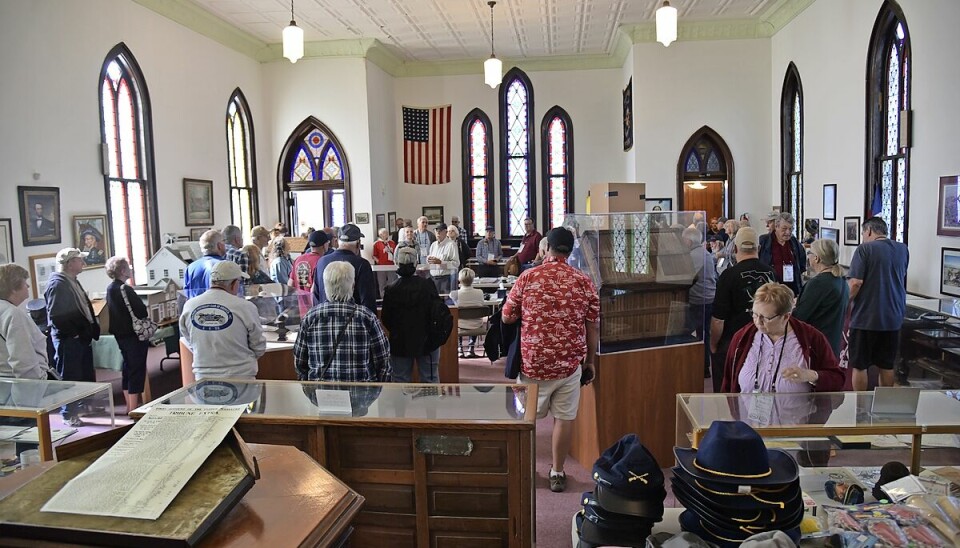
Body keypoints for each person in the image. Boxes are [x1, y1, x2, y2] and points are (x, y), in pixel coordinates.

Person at [502, 228, 599, 493]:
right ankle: (557, 472)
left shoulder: (528, 277)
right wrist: (589, 361)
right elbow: (592, 326)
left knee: (528, 421)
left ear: (547, 249)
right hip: (569, 364)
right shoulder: (584, 281)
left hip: (533, 363)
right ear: (570, 251)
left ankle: (528, 470)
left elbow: (507, 316)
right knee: (564, 419)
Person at [720, 282, 844, 393]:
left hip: (796, 418)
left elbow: (837, 379)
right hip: (747, 417)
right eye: (754, 314)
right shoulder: (742, 337)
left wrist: (810, 376)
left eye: (766, 318)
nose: (758, 322)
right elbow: (728, 383)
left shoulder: (812, 338)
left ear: (786, 316)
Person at [294, 262, 391, 382]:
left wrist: (310, 388)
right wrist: (377, 390)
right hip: (362, 396)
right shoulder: (367, 317)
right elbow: (383, 361)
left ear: (325, 286)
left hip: (320, 394)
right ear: (352, 285)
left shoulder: (310, 318)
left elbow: (300, 362)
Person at [709, 227, 776, 392]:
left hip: (734, 342)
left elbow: (718, 319)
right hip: (765, 341)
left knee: (727, 391)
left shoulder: (728, 276)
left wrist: (713, 345)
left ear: (735, 248)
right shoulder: (772, 274)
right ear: (758, 248)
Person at [847, 216, 909, 389]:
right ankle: (883, 408)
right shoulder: (903, 249)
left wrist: (844, 303)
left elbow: (855, 283)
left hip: (866, 318)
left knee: (860, 365)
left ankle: (860, 408)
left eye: (862, 233)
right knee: (886, 365)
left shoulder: (864, 249)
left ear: (868, 231)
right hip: (893, 317)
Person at [179, 261, 265, 380]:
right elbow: (258, 344)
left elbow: (189, 339)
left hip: (203, 376)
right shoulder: (245, 306)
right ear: (234, 283)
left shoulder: (189, 305)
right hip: (241, 374)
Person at [46, 248, 100, 426]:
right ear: (69, 264)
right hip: (69, 341)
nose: (83, 263)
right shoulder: (58, 284)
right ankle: (69, 414)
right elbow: (56, 316)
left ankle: (83, 406)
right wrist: (75, 334)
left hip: (80, 338)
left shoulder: (71, 281)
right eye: (79, 260)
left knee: (84, 375)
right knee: (70, 377)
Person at [381, 246, 446, 383]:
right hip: (428, 340)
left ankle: (401, 405)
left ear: (397, 263)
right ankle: (430, 405)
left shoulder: (391, 290)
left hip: (400, 342)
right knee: (429, 379)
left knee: (400, 380)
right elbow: (438, 312)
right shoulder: (428, 286)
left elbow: (386, 318)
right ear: (416, 263)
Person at [104, 256, 150, 412]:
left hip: (120, 334)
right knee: (137, 368)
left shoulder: (110, 288)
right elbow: (142, 311)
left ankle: (128, 405)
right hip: (133, 335)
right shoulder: (126, 289)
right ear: (122, 271)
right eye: (128, 267)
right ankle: (133, 407)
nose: (131, 269)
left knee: (127, 368)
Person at [793, 238, 849, 357]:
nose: (808, 257)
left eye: (810, 253)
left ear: (817, 258)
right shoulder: (841, 280)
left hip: (816, 347)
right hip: (832, 345)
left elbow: (799, 317)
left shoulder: (818, 283)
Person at [313, 224, 378, 314]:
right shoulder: (362, 265)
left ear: (337, 241)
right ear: (358, 244)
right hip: (354, 322)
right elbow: (368, 301)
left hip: (324, 318)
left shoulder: (321, 262)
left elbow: (316, 295)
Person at [0, 264, 50, 379]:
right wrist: (37, 385)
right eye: (24, 282)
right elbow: (24, 362)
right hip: (20, 387)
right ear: (13, 288)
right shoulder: (13, 314)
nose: (27, 286)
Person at [682, 226, 717, 378]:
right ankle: (704, 366)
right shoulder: (705, 253)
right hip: (709, 298)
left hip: (698, 299)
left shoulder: (693, 255)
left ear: (688, 241)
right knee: (704, 333)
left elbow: (687, 278)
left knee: (687, 331)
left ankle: (696, 366)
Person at [758, 212, 806, 297]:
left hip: (791, 290)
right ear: (776, 227)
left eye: (791, 229)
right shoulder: (764, 241)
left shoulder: (794, 242)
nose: (788, 232)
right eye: (784, 229)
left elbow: (801, 263)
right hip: (770, 289)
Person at [289, 229, 329, 314]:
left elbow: (290, 284)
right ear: (325, 245)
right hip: (315, 309)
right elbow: (314, 289)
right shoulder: (321, 262)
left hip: (300, 309)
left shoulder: (298, 259)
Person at [450, 267, 486, 358]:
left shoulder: (454, 294)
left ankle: (460, 349)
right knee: (473, 320)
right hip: (477, 324)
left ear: (459, 280)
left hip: (460, 325)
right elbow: (482, 304)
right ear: (473, 279)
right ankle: (471, 347)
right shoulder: (480, 292)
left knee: (457, 321)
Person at [183, 229, 225, 297]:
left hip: (196, 306)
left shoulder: (190, 267)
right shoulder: (225, 265)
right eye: (223, 242)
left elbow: (186, 295)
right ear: (219, 245)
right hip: (218, 306)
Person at [427, 222, 459, 293]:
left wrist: (441, 262)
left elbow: (456, 264)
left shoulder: (451, 245)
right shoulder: (433, 245)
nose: (438, 233)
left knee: (445, 302)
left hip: (446, 279)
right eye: (436, 231)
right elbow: (430, 260)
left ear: (446, 232)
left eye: (440, 231)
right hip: (433, 278)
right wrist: (429, 260)